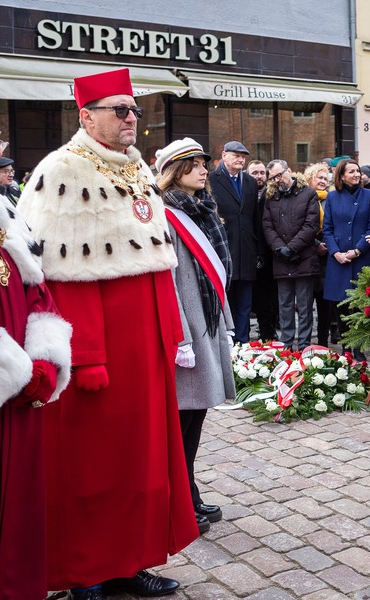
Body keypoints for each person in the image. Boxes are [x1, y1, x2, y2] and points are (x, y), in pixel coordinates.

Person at [17, 67, 198, 600]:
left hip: (145, 345)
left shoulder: (138, 168)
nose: (131, 119)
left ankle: (129, 559)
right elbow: (64, 281)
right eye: (120, 110)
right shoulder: (61, 171)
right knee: (92, 465)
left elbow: (156, 264)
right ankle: (85, 569)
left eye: (135, 110)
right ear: (86, 115)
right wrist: (88, 355)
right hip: (100, 351)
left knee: (140, 462)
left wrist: (171, 333)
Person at [0, 80, 72, 600]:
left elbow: (35, 286)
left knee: (19, 523)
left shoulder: (2, 206)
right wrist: (13, 370)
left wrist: (46, 356)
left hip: (19, 397)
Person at [155, 138, 235, 536]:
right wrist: (180, 337)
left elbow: (216, 270)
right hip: (187, 325)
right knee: (185, 415)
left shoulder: (202, 209)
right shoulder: (165, 215)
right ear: (176, 170)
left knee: (197, 414)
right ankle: (182, 494)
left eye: (205, 163)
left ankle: (190, 488)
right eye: (196, 165)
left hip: (207, 317)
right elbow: (168, 281)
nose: (205, 170)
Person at [322, 159, 370, 360]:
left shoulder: (369, 195)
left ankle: (358, 347)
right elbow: (327, 229)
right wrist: (335, 252)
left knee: (360, 304)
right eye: (352, 171)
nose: (357, 174)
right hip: (338, 259)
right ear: (342, 176)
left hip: (361, 257)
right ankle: (345, 346)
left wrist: (358, 250)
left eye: (358, 171)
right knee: (342, 304)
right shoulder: (332, 197)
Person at [262, 159, 321, 350]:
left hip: (304, 257)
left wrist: (293, 248)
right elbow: (267, 226)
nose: (278, 180)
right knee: (285, 304)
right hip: (281, 259)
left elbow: (311, 225)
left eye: (280, 175)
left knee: (304, 306)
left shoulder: (308, 194)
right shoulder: (270, 198)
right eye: (273, 178)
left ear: (289, 171)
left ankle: (304, 344)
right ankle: (286, 343)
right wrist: (281, 249)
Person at [209, 140, 260, 343]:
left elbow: (255, 217)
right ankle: (226, 343)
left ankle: (243, 344)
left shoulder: (249, 182)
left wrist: (259, 251)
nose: (240, 159)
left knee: (245, 304)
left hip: (247, 251)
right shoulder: (212, 180)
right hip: (223, 250)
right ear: (224, 156)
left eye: (243, 156)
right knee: (225, 302)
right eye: (236, 155)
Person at [303, 162, 337, 346]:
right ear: (310, 179)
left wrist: (328, 245)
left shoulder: (331, 199)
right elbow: (299, 226)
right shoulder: (303, 198)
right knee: (306, 304)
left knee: (325, 303)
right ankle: (306, 342)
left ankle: (323, 342)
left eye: (326, 178)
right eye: (319, 177)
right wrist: (316, 244)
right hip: (307, 254)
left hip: (327, 257)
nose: (323, 181)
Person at [248, 158, 278, 341]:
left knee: (269, 299)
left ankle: (269, 333)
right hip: (250, 253)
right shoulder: (244, 194)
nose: (259, 176)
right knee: (253, 298)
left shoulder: (272, 195)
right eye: (254, 173)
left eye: (261, 173)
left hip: (270, 253)